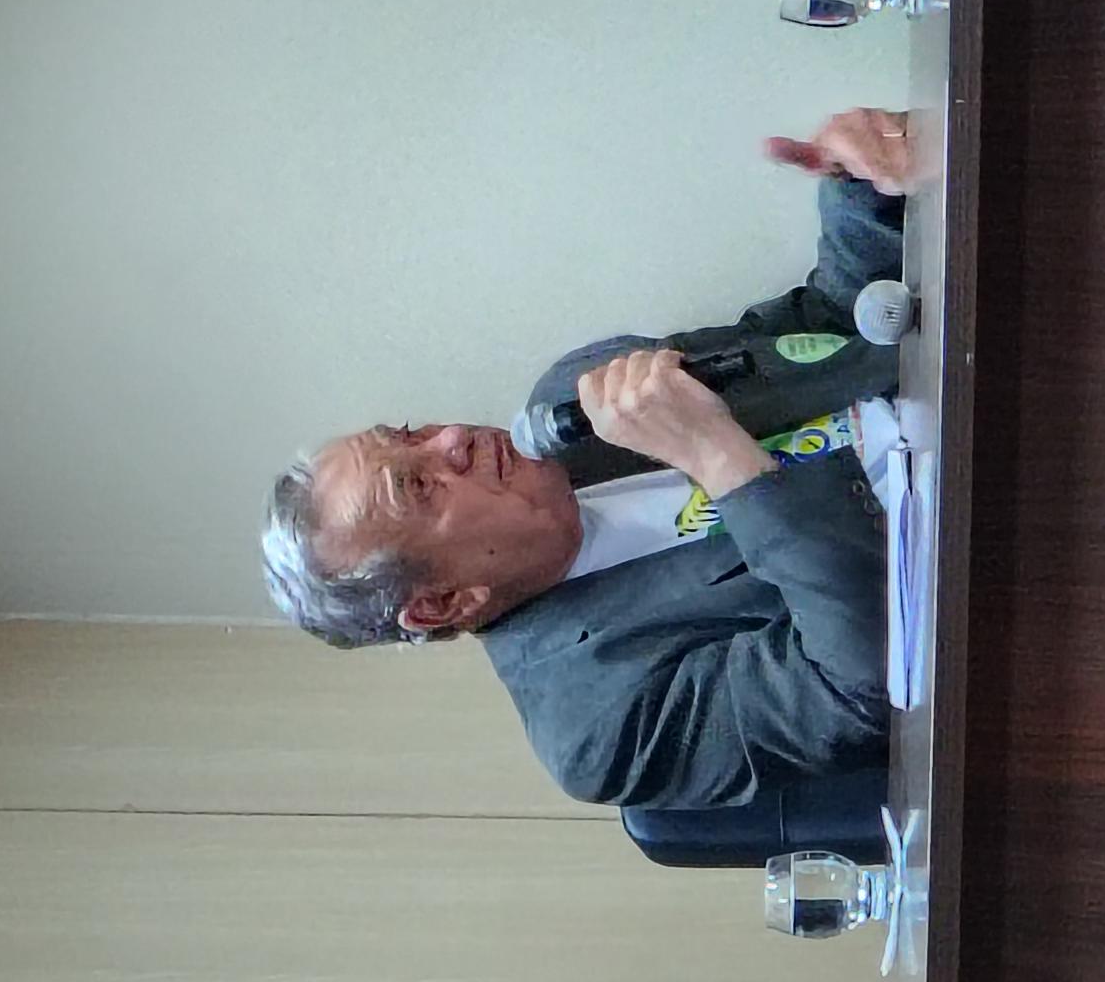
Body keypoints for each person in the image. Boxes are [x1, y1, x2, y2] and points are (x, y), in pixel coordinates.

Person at [262, 108, 919, 810]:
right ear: (444, 602)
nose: (449, 438)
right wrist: (720, 458)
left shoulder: (574, 394)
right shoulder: (596, 722)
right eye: (419, 483)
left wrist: (861, 187)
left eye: (408, 431)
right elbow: (868, 687)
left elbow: (822, 328)